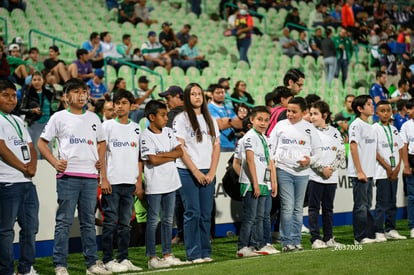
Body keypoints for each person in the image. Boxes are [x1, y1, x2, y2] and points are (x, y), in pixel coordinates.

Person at [37, 78, 111, 275]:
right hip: (68, 176)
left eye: (84, 91)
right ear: (66, 97)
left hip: (89, 177)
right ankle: (60, 265)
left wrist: (99, 163)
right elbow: (42, 143)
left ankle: (92, 264)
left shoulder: (94, 118)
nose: (82, 95)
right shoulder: (58, 117)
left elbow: (102, 142)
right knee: (64, 221)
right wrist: (54, 162)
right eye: (76, 91)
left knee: (88, 221)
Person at [172, 83, 220, 263]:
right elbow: (180, 148)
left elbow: (216, 146)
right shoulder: (181, 119)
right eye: (193, 94)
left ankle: (205, 252)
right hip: (187, 171)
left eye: (199, 93)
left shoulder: (211, 119)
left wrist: (212, 171)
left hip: (208, 171)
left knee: (206, 213)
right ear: (187, 97)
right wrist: (196, 171)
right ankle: (193, 253)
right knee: (192, 212)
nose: (197, 97)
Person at [268, 97, 322, 252]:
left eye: (294, 111)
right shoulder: (280, 126)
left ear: (304, 112)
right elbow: (270, 149)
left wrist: (310, 160)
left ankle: (296, 240)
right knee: (287, 206)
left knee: (298, 208)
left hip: (303, 174)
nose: (290, 114)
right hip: (283, 170)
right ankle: (286, 242)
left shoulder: (309, 128)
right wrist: (273, 167)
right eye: (288, 111)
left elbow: (318, 152)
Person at [101, 89, 143, 272]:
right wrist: (103, 179)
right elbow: (101, 155)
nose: (119, 106)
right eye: (117, 103)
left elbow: (139, 157)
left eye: (123, 103)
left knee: (125, 225)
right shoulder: (107, 126)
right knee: (110, 223)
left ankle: (124, 258)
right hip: (112, 182)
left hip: (129, 182)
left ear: (131, 106)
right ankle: (107, 260)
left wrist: (139, 181)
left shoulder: (136, 127)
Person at [0, 80, 39, 275]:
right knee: (6, 231)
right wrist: (24, 167)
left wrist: (32, 166)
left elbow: (31, 147)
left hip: (27, 183)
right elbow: (2, 148)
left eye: (14, 95)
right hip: (7, 182)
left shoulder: (18, 120)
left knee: (31, 228)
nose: (11, 99)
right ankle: (6, 270)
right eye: (5, 95)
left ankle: (25, 269)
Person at [141, 100, 186, 269]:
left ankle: (167, 254)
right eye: (163, 115)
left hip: (172, 182)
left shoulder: (168, 131)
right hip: (155, 184)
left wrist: (163, 155)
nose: (166, 118)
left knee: (168, 220)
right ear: (152, 117)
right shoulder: (145, 135)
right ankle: (152, 257)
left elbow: (180, 151)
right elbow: (152, 159)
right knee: (153, 221)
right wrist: (170, 154)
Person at [235, 106, 278, 257]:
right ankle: (242, 247)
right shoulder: (249, 137)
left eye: (266, 120)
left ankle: (258, 244)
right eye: (259, 119)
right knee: (250, 217)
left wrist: (273, 182)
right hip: (252, 183)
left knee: (260, 217)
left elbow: (269, 162)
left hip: (263, 182)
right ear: (252, 119)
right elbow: (250, 161)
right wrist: (254, 183)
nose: (263, 123)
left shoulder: (264, 138)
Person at [308, 100, 346, 249]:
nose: (312, 117)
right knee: (313, 208)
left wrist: (330, 168)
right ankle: (315, 239)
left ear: (324, 115)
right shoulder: (309, 132)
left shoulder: (335, 132)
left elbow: (341, 153)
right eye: (311, 114)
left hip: (331, 177)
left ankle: (329, 238)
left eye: (315, 114)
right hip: (315, 176)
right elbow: (308, 154)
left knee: (329, 208)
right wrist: (321, 169)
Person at [372, 101, 406, 241]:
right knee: (382, 202)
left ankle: (391, 228)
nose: (386, 113)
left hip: (394, 171)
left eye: (388, 110)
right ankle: (378, 231)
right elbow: (374, 151)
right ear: (376, 113)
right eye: (382, 110)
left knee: (393, 201)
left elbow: (400, 148)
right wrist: (387, 167)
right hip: (381, 172)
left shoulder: (394, 129)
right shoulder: (374, 128)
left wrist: (398, 167)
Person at [347, 95, 377, 245]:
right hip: (360, 173)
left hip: (370, 172)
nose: (372, 107)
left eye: (372, 104)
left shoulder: (370, 127)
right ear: (359, 108)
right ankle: (359, 237)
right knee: (360, 205)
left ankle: (370, 234)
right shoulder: (356, 125)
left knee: (367, 205)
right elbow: (353, 146)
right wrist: (359, 171)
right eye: (369, 104)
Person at [158, 85, 184, 244]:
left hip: (179, 162)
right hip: (194, 161)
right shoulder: (195, 113)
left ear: (178, 96)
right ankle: (204, 234)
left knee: (180, 201)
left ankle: (182, 234)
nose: (166, 102)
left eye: (168, 98)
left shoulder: (173, 115)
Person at [19, 72, 55, 158]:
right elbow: (21, 110)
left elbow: (53, 109)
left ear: (43, 81)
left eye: (39, 79)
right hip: (34, 125)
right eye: (34, 80)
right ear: (31, 81)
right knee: (36, 152)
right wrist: (32, 110)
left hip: (47, 126)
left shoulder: (49, 93)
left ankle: (48, 171)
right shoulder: (27, 93)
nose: (37, 82)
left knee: (48, 152)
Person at [208, 84, 242, 152]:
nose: (221, 95)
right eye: (218, 93)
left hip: (232, 144)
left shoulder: (228, 108)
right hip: (219, 145)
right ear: (211, 95)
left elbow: (240, 124)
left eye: (222, 92)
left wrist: (228, 121)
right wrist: (232, 121)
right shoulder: (209, 108)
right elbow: (220, 125)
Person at [400, 98, 414, 238]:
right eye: (407, 109)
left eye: (410, 109)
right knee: (412, 197)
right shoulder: (406, 126)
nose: (408, 112)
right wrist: (406, 165)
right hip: (412, 160)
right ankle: (413, 226)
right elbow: (404, 146)